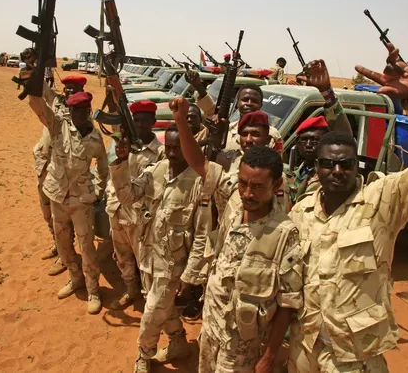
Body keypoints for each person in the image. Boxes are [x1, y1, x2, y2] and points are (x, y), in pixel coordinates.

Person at [287, 46, 408, 372]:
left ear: (357, 166)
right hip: (303, 352)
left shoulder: (382, 200)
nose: (336, 171)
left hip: (355, 359)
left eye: (345, 164)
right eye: (328, 164)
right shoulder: (302, 212)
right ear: (317, 168)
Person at [170, 98, 302, 373]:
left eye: (258, 187)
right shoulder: (232, 196)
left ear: (276, 184)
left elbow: (287, 303)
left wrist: (269, 356)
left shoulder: (285, 233)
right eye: (243, 183)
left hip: (243, 347)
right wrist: (180, 120)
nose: (248, 193)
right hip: (212, 326)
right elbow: (197, 161)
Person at [110, 124, 214, 373]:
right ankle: (178, 342)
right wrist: (121, 163)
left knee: (152, 312)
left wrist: (189, 277)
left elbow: (202, 234)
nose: (173, 153)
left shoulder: (199, 183)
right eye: (169, 147)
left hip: (174, 265)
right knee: (161, 307)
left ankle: (144, 354)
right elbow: (127, 196)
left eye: (178, 148)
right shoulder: (156, 170)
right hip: (147, 255)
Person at [27, 68, 109, 314]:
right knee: (63, 243)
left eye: (82, 111)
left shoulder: (95, 138)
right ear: (70, 111)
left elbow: (103, 169)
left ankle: (93, 289)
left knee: (87, 247)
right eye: (74, 111)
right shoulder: (57, 125)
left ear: (88, 111)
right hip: (57, 197)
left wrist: (97, 192)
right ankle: (75, 278)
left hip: (81, 201)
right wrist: (32, 74)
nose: (78, 115)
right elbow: (37, 104)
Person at [104, 100, 165, 310]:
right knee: (122, 257)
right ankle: (131, 289)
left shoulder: (159, 152)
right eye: (135, 121)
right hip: (116, 209)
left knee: (145, 261)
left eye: (144, 121)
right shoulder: (123, 144)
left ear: (153, 122)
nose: (139, 125)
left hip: (140, 217)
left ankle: (149, 301)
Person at [186, 77, 283, 153]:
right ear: (237, 104)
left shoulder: (272, 135)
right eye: (245, 99)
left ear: (261, 105)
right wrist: (199, 87)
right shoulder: (226, 129)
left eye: (254, 101)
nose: (249, 103)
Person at [34, 127, 66, 276]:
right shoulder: (48, 118)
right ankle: (57, 246)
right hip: (43, 169)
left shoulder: (70, 117)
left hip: (58, 176)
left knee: (59, 220)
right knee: (46, 213)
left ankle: (64, 256)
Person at [286, 116, 329, 204]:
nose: (308, 145)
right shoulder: (300, 171)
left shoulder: (328, 175)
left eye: (315, 140)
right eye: (304, 140)